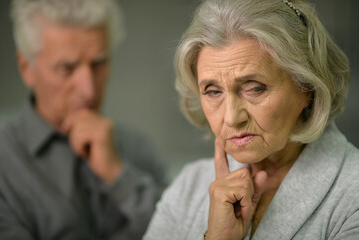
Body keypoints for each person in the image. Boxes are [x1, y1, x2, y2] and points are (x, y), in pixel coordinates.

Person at [144, 0, 359, 239]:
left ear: (308, 87)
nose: (231, 118)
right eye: (213, 92)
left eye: (255, 88)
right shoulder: (189, 186)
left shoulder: (353, 192)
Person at [0, 0, 166, 239]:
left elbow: (184, 229)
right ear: (26, 68)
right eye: (67, 68)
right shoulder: (3, 164)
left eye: (98, 64)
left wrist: (119, 176)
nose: (88, 90)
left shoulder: (138, 150)